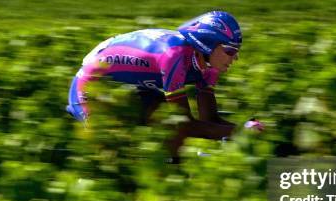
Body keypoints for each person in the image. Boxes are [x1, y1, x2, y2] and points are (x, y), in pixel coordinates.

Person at [66, 10, 243, 163]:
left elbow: (209, 119)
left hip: (127, 85)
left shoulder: (211, 65)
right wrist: (242, 134)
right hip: (91, 87)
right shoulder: (174, 55)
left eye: (237, 51)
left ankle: (172, 172)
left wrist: (242, 132)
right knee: (116, 154)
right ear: (208, 44)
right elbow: (184, 124)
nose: (235, 58)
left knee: (166, 123)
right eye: (230, 51)